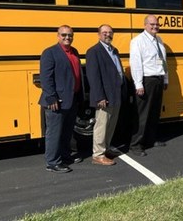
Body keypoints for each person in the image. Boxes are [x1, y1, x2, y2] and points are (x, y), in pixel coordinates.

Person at [39, 25, 83, 173]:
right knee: (54, 132)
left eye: (70, 35)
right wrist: (51, 97)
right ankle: (52, 162)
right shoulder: (50, 53)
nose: (67, 38)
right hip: (56, 101)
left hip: (71, 99)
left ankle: (65, 156)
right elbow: (46, 78)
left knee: (66, 132)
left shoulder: (74, 51)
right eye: (63, 35)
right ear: (58, 36)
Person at [86, 24, 127, 166]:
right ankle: (98, 155)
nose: (107, 35)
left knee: (111, 125)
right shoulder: (94, 51)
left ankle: (106, 148)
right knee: (101, 125)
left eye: (110, 32)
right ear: (99, 34)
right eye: (104, 32)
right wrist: (99, 96)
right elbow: (93, 76)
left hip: (116, 94)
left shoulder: (114, 50)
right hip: (104, 96)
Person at [129, 15, 168, 156]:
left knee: (154, 113)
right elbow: (136, 63)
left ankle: (150, 140)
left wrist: (165, 79)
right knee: (142, 114)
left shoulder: (159, 40)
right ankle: (136, 144)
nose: (155, 26)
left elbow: (163, 61)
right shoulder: (138, 41)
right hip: (146, 80)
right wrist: (138, 84)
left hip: (158, 79)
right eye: (152, 24)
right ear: (145, 25)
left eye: (157, 24)